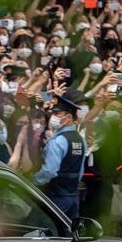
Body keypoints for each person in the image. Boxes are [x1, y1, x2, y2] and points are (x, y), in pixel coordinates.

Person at [33, 95, 86, 224]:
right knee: (67, 236)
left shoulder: (57, 141)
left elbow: (49, 172)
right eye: (53, 113)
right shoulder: (81, 140)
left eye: (57, 113)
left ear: (68, 117)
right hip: (73, 197)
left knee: (47, 235)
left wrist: (32, 181)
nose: (53, 117)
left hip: (56, 196)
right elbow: (80, 173)